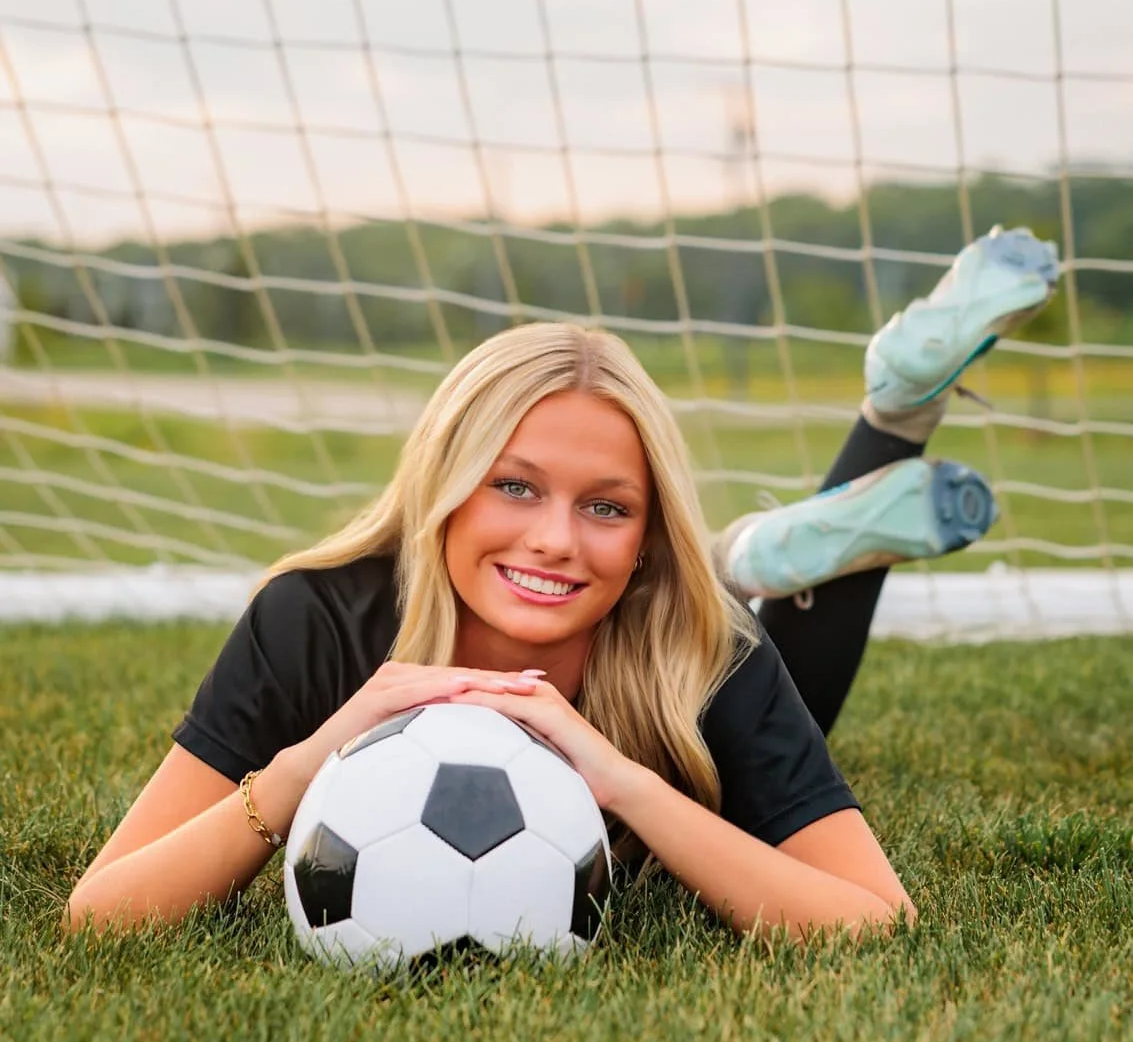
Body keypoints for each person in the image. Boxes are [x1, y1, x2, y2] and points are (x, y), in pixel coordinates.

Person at [65, 228, 1058, 943]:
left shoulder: (692, 645)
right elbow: (98, 912)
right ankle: (822, 489)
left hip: (694, 641)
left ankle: (830, 481)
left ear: (645, 540)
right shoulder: (317, 617)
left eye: (606, 507)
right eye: (512, 486)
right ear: (441, 486)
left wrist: (622, 777)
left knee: (748, 667)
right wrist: (309, 760)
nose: (554, 541)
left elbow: (873, 920)